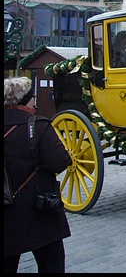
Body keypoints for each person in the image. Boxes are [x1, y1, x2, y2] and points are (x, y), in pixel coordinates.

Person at [4, 77, 72, 273]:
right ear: (24, 100)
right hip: (38, 212)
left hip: (7, 214)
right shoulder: (37, 126)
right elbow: (60, 161)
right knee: (51, 263)